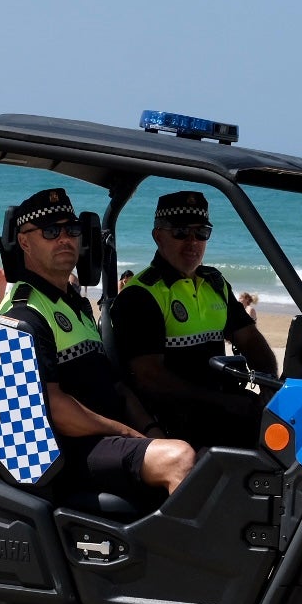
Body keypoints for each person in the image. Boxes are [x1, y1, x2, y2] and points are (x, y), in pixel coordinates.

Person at [4, 187, 195, 499]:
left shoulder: (75, 305)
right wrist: (128, 434)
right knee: (179, 459)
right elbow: (56, 408)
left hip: (104, 437)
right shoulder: (25, 313)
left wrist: (149, 431)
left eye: (72, 229)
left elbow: (115, 385)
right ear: (24, 241)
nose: (64, 239)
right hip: (69, 448)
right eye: (51, 231)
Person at [111, 190, 278, 452]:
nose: (192, 242)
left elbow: (250, 340)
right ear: (158, 236)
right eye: (180, 232)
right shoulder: (142, 294)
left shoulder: (216, 283)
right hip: (174, 421)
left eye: (201, 233)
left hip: (219, 408)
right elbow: (149, 377)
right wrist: (223, 401)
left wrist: (269, 383)